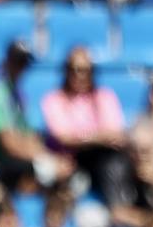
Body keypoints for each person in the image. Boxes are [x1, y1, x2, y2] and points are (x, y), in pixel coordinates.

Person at [0, 41, 73, 193]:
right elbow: (8, 144)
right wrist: (47, 161)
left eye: (24, 63)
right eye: (18, 62)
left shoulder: (18, 95)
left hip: (13, 160)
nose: (21, 68)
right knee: (47, 172)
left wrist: (50, 157)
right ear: (7, 61)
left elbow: (29, 137)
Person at [42, 45, 130, 209]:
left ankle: (120, 211)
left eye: (85, 70)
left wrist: (82, 138)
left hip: (100, 160)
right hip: (69, 162)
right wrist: (99, 137)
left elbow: (117, 135)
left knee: (115, 163)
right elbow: (64, 138)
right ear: (66, 71)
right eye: (74, 69)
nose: (80, 75)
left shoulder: (104, 96)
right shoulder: (54, 99)